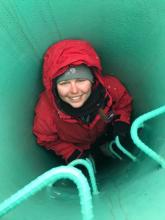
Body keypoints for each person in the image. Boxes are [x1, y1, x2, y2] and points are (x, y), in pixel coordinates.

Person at [33, 39, 133, 167]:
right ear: (54, 87)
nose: (74, 91)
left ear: (92, 80)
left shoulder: (108, 89)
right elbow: (46, 138)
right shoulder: (46, 110)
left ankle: (107, 147)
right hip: (77, 146)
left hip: (104, 122)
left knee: (106, 115)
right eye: (64, 83)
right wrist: (71, 153)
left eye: (80, 80)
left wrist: (121, 122)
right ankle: (91, 158)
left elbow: (123, 103)